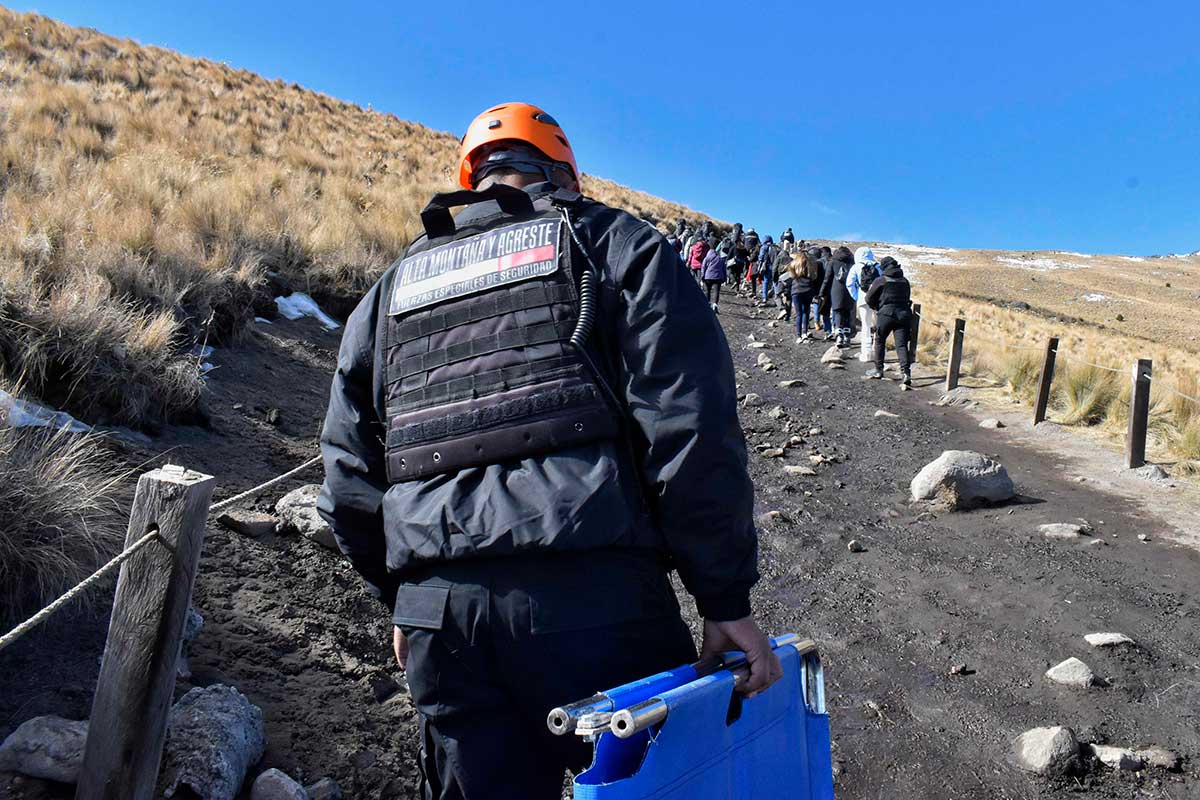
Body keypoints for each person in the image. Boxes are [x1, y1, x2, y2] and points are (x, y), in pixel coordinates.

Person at [318, 102, 781, 800]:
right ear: (564, 172)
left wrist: (406, 599)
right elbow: (690, 430)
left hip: (440, 619)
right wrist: (724, 597)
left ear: (471, 177)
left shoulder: (390, 291)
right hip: (600, 603)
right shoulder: (618, 244)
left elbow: (347, 472)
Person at [865, 255, 914, 387]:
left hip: (885, 314)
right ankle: (906, 373)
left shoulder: (881, 280)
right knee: (902, 345)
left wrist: (877, 307)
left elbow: (868, 298)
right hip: (903, 314)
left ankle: (878, 370)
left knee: (880, 340)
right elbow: (907, 297)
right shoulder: (905, 281)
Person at [846, 246, 880, 363]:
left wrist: (856, 297)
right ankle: (877, 352)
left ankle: (866, 354)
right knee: (877, 326)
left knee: (865, 326)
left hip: (863, 299)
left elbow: (849, 284)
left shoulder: (856, 266)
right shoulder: (878, 266)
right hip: (877, 300)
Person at [823, 246, 856, 347]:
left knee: (838, 313)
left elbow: (827, 279)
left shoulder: (833, 261)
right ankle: (847, 337)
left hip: (836, 291)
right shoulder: (852, 263)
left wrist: (822, 292)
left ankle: (839, 337)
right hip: (849, 291)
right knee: (847, 314)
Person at [789, 248, 820, 342]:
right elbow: (814, 276)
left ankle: (798, 336)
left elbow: (791, 275)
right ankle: (804, 333)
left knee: (799, 314)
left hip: (796, 289)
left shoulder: (794, 263)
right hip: (808, 288)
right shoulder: (811, 263)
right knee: (806, 312)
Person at [700, 236, 727, 311]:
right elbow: (724, 269)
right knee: (716, 291)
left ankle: (707, 304)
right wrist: (724, 278)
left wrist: (702, 276)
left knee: (707, 291)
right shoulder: (720, 258)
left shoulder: (707, 257)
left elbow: (703, 267)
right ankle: (715, 304)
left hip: (707, 277)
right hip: (718, 278)